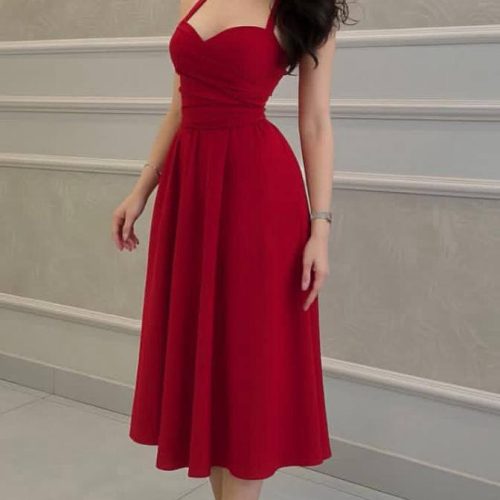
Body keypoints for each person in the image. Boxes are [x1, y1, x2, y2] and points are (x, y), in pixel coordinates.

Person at [111, 0, 353, 499]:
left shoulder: (304, 11)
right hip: (191, 193)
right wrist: (142, 189)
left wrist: (320, 229)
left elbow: (316, 124)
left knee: (245, 366)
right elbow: (180, 105)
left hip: (256, 197)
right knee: (210, 368)